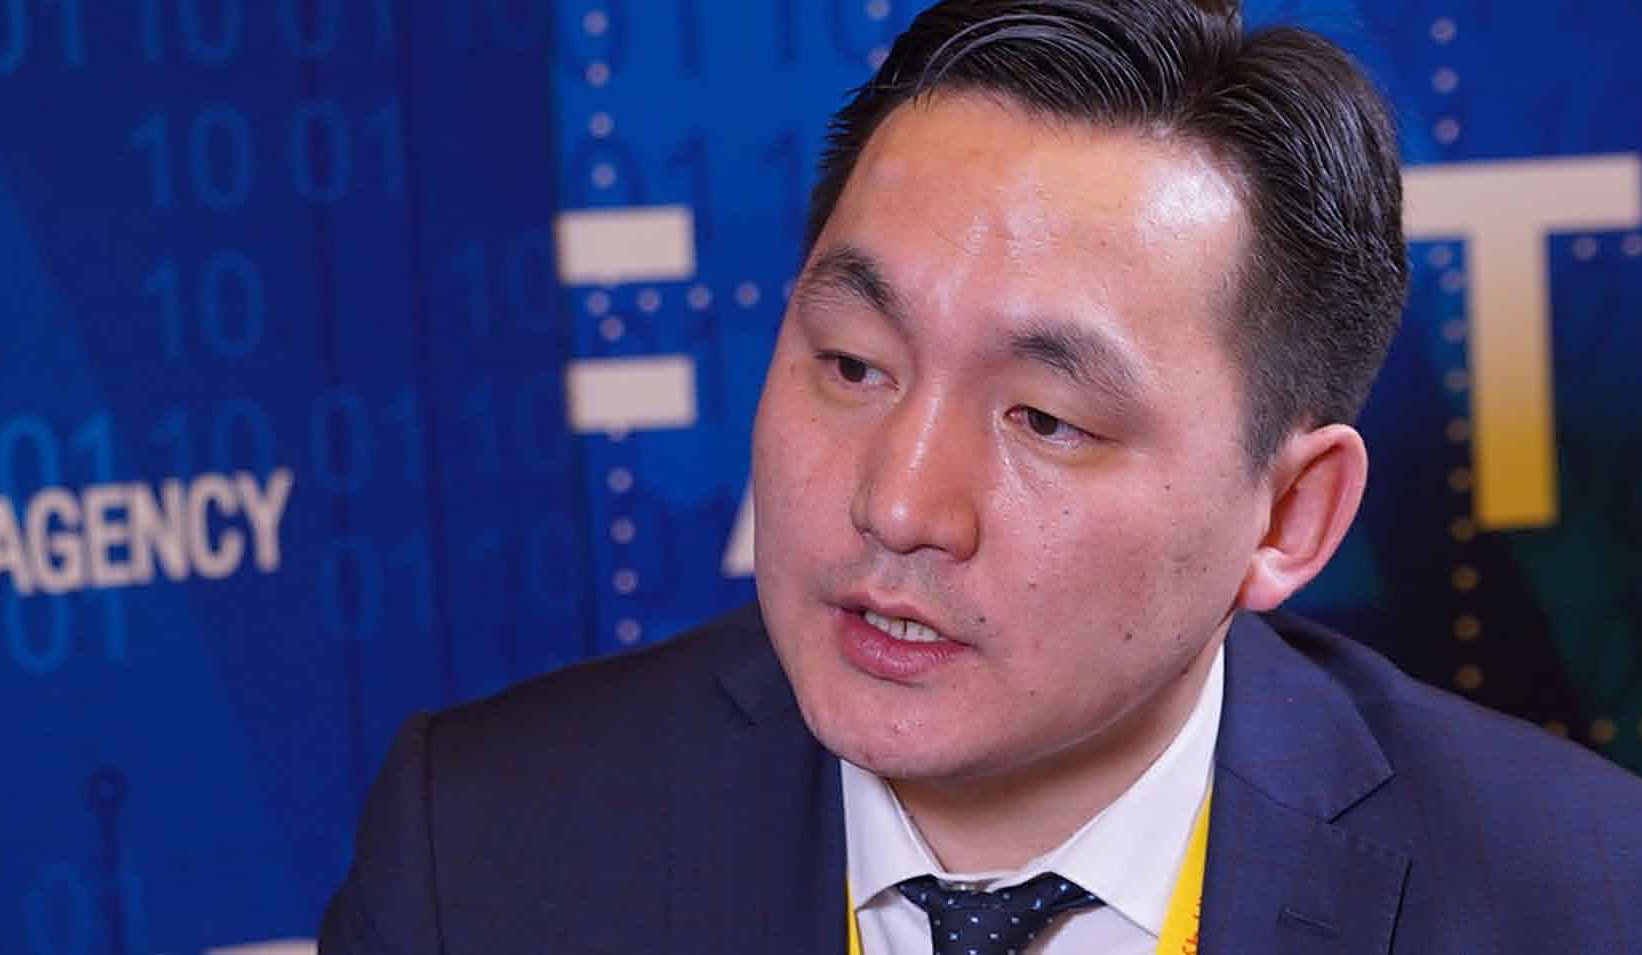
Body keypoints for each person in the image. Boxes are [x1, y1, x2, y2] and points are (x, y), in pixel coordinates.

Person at [319, 1, 1642, 952]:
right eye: (852, 363)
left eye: (1046, 420)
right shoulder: (477, 855)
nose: (897, 505)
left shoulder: (1578, 897)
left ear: (1289, 516)